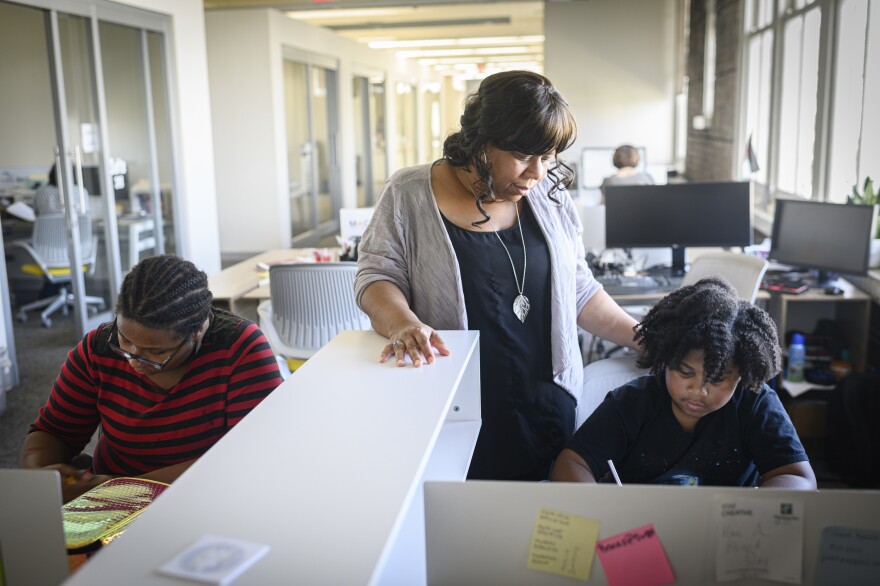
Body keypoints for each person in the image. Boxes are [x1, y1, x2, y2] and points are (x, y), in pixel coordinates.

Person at [355, 71, 640, 481]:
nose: (539, 172)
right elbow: (376, 275)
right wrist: (403, 323)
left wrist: (644, 336)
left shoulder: (549, 195)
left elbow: (579, 290)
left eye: (549, 157)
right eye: (526, 156)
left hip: (548, 404)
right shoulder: (409, 193)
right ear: (482, 141)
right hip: (457, 409)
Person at [21, 254, 284, 502]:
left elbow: (252, 456)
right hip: (105, 501)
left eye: (157, 352)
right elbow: (55, 431)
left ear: (199, 330)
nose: (133, 359)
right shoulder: (97, 349)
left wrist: (125, 491)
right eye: (124, 339)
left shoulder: (239, 350)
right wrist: (43, 475)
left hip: (206, 499)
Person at [551, 277, 817, 489]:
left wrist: (754, 513)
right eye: (685, 372)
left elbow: (799, 478)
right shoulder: (631, 403)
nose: (698, 390)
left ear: (741, 375)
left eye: (717, 379)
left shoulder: (756, 404)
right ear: (664, 360)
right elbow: (571, 463)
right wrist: (602, 508)